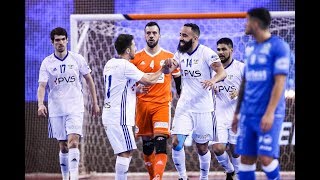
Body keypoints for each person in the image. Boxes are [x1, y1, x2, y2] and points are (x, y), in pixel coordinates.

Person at [231, 7, 290, 180]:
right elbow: (245, 81)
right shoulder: (250, 48)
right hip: (248, 113)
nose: (245, 24)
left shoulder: (279, 47)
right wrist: (237, 112)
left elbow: (280, 82)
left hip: (268, 113)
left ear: (255, 23)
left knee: (266, 158)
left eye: (247, 20)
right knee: (246, 158)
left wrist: (270, 113)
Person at [101, 33, 171, 180]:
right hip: (119, 116)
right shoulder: (126, 65)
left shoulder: (110, 63)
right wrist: (162, 69)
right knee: (126, 153)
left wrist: (135, 89)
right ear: (128, 50)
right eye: (133, 46)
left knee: (125, 152)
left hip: (109, 114)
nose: (135, 48)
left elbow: (119, 85)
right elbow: (149, 80)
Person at [165, 23, 227, 180]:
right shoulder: (180, 53)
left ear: (195, 38)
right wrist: (166, 66)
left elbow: (222, 72)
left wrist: (213, 80)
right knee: (176, 143)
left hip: (204, 108)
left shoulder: (207, 53)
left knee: (202, 147)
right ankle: (182, 177)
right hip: (185, 106)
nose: (181, 38)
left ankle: (204, 177)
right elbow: (170, 69)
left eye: (184, 36)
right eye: (180, 34)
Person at [37, 27, 100, 180]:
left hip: (75, 106)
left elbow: (89, 79)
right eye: (57, 40)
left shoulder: (77, 59)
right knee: (63, 145)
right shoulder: (47, 62)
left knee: (73, 142)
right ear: (52, 42)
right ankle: (66, 177)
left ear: (67, 40)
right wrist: (40, 104)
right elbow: (42, 86)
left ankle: (75, 177)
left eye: (63, 39)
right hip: (56, 108)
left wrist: (95, 102)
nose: (60, 42)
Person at [130, 21, 181, 180]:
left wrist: (182, 100)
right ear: (144, 35)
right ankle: (153, 176)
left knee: (160, 142)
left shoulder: (169, 58)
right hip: (142, 106)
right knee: (147, 146)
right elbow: (128, 82)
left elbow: (179, 82)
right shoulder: (136, 58)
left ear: (159, 35)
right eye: (148, 33)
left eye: (154, 33)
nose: (151, 35)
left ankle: (158, 177)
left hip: (162, 105)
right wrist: (135, 90)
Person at [211, 37, 245, 180]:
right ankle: (230, 171)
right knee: (218, 148)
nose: (221, 52)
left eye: (224, 49)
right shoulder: (212, 69)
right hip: (218, 115)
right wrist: (210, 88)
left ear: (232, 50)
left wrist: (240, 92)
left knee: (236, 151)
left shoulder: (241, 67)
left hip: (236, 116)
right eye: (218, 49)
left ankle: (237, 174)